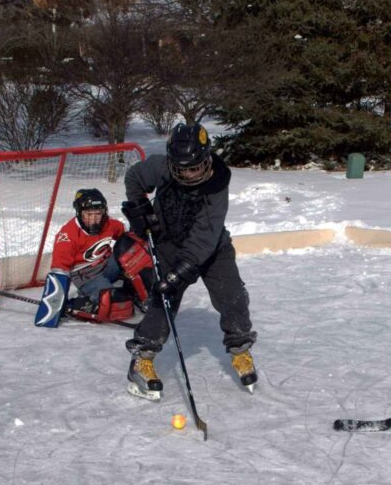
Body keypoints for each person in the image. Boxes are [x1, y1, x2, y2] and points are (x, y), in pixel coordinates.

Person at [120, 122, 257, 401]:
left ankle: (240, 351)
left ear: (206, 159)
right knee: (163, 299)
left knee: (233, 297)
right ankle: (142, 359)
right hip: (169, 242)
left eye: (195, 167)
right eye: (182, 169)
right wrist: (141, 209)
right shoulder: (160, 167)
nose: (190, 174)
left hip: (213, 247)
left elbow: (205, 235)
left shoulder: (217, 183)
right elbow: (134, 177)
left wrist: (182, 271)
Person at [34, 188, 154, 328]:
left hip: (107, 266)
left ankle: (140, 293)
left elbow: (126, 238)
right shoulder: (68, 236)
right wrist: (54, 305)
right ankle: (78, 304)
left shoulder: (109, 223)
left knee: (133, 247)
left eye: (98, 213)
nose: (94, 219)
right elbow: (59, 271)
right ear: (79, 213)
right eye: (88, 214)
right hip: (87, 276)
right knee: (120, 306)